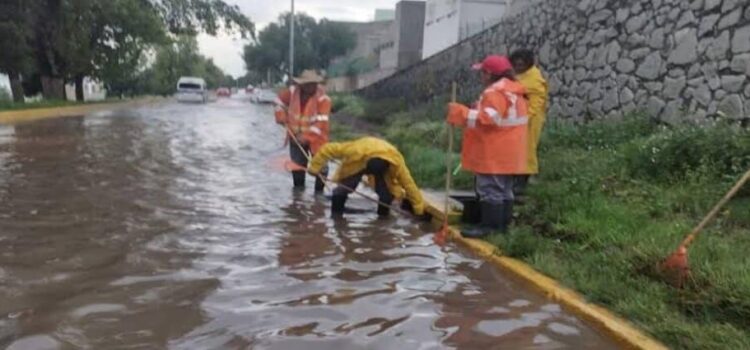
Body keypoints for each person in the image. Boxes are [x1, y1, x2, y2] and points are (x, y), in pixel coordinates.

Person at [446, 55, 529, 238]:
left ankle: (490, 227)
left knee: (490, 189)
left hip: (495, 151)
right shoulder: (514, 90)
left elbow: (488, 119)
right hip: (511, 151)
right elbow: (503, 116)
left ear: (489, 74)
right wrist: (477, 108)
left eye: (482, 73)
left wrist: (460, 113)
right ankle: (503, 226)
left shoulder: (494, 92)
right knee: (505, 189)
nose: (480, 77)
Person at [307, 137, 426, 219]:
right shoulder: (355, 150)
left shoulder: (396, 163)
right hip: (359, 162)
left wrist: (418, 209)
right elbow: (328, 149)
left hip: (380, 162)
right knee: (343, 190)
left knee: (386, 195)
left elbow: (409, 185)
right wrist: (314, 167)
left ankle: (382, 219)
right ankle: (336, 218)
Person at [275, 69, 331, 193]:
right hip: (295, 137)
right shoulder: (292, 92)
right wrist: (280, 115)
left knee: (321, 169)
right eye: (307, 84)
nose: (311, 86)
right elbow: (278, 102)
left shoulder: (324, 99)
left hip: (317, 139)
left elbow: (320, 123)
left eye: (313, 84)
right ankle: (298, 197)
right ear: (302, 84)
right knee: (297, 168)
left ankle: (319, 195)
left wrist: (306, 137)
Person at [510, 49, 548, 196]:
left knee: (527, 150)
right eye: (516, 64)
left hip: (530, 120)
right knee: (514, 149)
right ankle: (513, 180)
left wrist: (526, 117)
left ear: (528, 63)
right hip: (517, 119)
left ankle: (522, 184)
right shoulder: (518, 77)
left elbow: (537, 102)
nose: (518, 67)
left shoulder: (534, 78)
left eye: (521, 64)